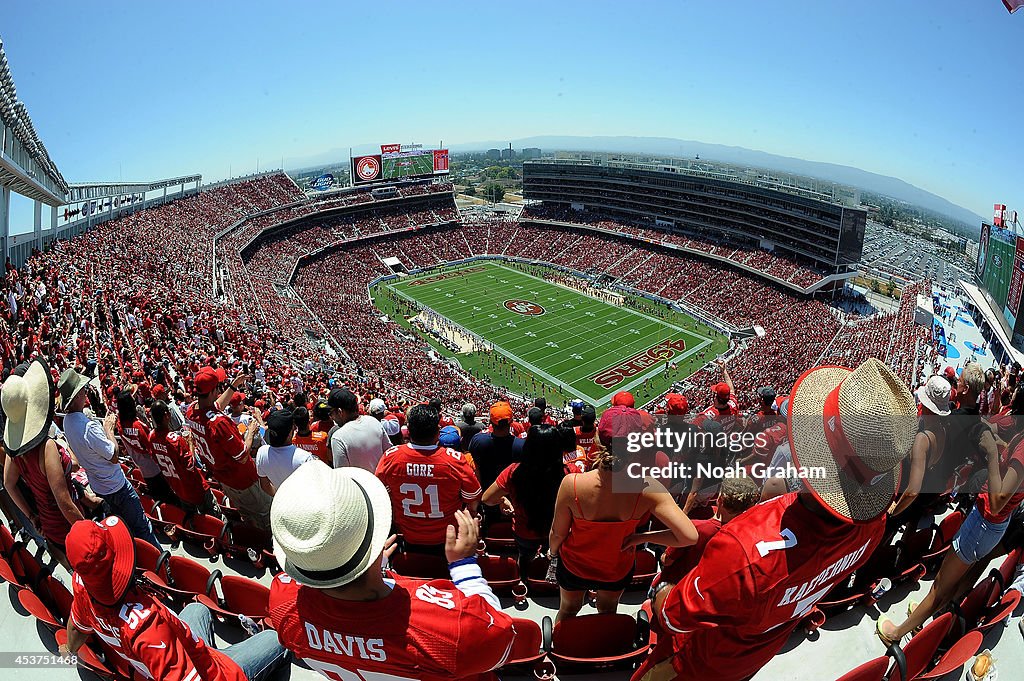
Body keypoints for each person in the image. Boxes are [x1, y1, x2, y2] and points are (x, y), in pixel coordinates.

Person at [636, 358, 917, 681]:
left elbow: (673, 617)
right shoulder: (873, 527)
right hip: (754, 655)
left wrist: (659, 592)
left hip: (696, 661)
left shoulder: (745, 546)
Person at [267, 461, 516, 681]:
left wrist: (375, 569)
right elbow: (503, 635)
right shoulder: (451, 628)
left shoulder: (281, 601)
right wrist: (465, 566)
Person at [878, 376, 1024, 645]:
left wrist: (993, 454)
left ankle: (897, 633)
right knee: (953, 584)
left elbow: (1000, 498)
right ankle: (933, 623)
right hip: (990, 523)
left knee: (940, 585)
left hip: (986, 521)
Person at [60, 517, 291, 680]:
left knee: (198, 610)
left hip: (189, 652)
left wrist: (70, 650)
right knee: (279, 640)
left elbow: (77, 627)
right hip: (217, 674)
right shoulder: (147, 629)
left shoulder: (82, 585)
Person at [548, 419, 698, 623]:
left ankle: (562, 650)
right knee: (608, 610)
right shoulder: (647, 488)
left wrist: (554, 553)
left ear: (598, 441)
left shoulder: (572, 483)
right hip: (616, 567)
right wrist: (639, 538)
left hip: (574, 565)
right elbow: (689, 536)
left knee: (568, 609)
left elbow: (558, 533)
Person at [59, 368, 161, 550]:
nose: (85, 392)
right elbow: (114, 456)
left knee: (123, 527)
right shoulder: (89, 427)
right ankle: (160, 562)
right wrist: (108, 429)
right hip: (117, 486)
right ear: (75, 398)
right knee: (142, 527)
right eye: (81, 390)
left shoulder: (67, 421)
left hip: (99, 487)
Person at [2, 359, 85, 569]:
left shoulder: (16, 453)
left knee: (75, 573)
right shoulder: (46, 447)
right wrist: (89, 530)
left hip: (47, 526)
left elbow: (9, 484)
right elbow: (64, 503)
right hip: (68, 525)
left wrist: (31, 516)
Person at [375, 405, 482, 555]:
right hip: (447, 536)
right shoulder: (455, 461)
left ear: (409, 431)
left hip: (407, 534)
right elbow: (473, 498)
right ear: (438, 432)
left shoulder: (390, 458)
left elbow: (380, 497)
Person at [185, 367, 272, 530]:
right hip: (242, 479)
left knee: (245, 512)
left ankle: (251, 532)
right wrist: (251, 433)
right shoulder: (219, 423)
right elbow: (243, 456)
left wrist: (233, 386)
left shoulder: (191, 411)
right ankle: (267, 542)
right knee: (264, 512)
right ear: (213, 391)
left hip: (223, 478)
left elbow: (215, 405)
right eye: (218, 386)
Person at [482, 424, 565, 578]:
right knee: (554, 557)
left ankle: (524, 579)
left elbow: (487, 499)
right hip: (556, 530)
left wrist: (503, 500)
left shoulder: (514, 471)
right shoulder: (569, 472)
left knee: (525, 557)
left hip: (524, 530)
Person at [655, 476, 760, 588]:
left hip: (677, 586)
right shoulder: (746, 534)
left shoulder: (697, 528)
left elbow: (667, 560)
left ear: (719, 499)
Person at [889, 374, 950, 520]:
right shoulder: (942, 430)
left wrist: (893, 511)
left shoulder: (922, 440)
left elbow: (912, 490)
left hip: (901, 499)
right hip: (913, 503)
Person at [149, 400, 219, 516]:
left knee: (193, 519)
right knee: (213, 516)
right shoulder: (175, 440)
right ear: (166, 415)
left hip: (178, 488)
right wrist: (190, 443)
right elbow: (191, 465)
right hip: (194, 487)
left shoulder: (151, 437)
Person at [115, 391, 173, 503]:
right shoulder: (138, 426)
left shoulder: (120, 424)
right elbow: (151, 448)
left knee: (158, 496)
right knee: (167, 496)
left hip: (142, 467)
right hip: (154, 467)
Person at [329, 388, 391, 471]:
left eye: (331, 412)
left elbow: (342, 475)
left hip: (356, 484)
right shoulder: (374, 422)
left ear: (340, 412)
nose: (331, 417)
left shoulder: (338, 437)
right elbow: (389, 454)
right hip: (379, 482)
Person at [468, 402, 524, 494]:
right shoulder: (522, 446)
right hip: (512, 497)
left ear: (490, 422)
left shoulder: (478, 441)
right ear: (511, 421)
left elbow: (475, 467)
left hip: (486, 494)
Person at [255, 409, 316, 490]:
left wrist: (281, 498)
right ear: (292, 430)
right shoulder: (305, 458)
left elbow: (265, 486)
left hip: (280, 501)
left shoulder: (262, 453)